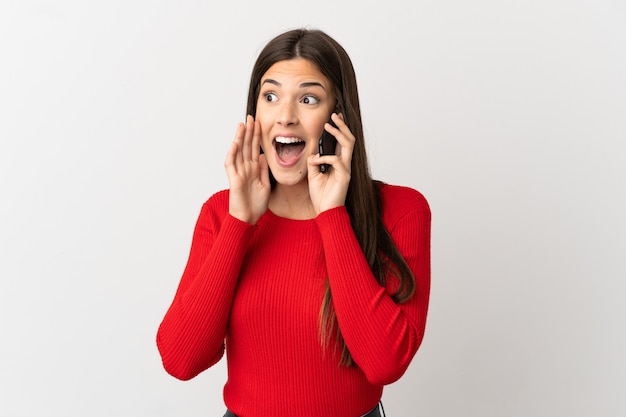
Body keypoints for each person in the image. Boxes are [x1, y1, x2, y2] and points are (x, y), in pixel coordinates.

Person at [156, 28, 431, 417]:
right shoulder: (222, 214)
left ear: (339, 115)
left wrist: (332, 215)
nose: (285, 116)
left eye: (307, 98)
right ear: (255, 114)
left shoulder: (402, 210)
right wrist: (239, 224)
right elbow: (181, 359)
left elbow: (386, 363)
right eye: (270, 97)